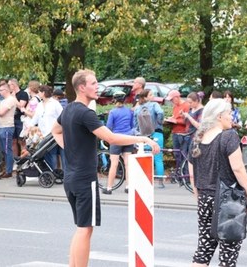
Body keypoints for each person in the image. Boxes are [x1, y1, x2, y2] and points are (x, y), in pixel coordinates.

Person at [51, 69, 159, 267]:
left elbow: (55, 130)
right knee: (86, 229)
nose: (97, 86)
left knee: (80, 228)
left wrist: (70, 146)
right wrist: (142, 138)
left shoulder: (68, 109)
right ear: (82, 87)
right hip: (85, 179)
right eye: (93, 83)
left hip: (71, 177)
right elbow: (110, 137)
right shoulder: (85, 113)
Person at [187, 98, 247, 267]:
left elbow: (193, 176)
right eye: (229, 113)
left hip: (204, 198)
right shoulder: (229, 137)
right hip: (227, 200)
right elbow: (238, 169)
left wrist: (199, 196)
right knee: (228, 252)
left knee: (204, 248)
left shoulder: (197, 139)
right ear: (219, 116)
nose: (232, 116)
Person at [103, 91, 134, 194]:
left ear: (114, 100)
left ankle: (109, 188)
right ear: (124, 100)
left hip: (116, 139)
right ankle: (128, 186)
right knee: (128, 164)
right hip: (128, 138)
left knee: (114, 164)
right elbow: (132, 125)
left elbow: (109, 127)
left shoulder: (112, 112)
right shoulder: (130, 111)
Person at [30, 85, 64, 170]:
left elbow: (62, 116)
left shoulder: (55, 103)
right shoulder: (40, 104)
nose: (38, 94)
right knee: (49, 153)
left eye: (39, 92)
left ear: (43, 93)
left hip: (55, 132)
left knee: (61, 153)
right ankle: (52, 172)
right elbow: (36, 117)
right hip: (45, 134)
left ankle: (64, 173)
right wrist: (30, 126)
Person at [134, 89, 165, 177]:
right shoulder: (155, 105)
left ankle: (146, 178)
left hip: (144, 135)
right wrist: (159, 122)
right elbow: (160, 112)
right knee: (158, 158)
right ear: (145, 97)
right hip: (157, 133)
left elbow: (135, 124)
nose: (153, 96)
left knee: (146, 157)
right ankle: (160, 180)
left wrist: (138, 132)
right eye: (151, 95)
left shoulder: (138, 108)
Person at [164, 89, 190, 176]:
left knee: (184, 154)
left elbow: (188, 120)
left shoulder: (186, 105)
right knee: (176, 154)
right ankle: (179, 173)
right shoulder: (175, 106)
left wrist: (176, 121)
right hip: (175, 133)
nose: (171, 101)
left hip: (183, 134)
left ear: (177, 97)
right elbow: (176, 117)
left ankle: (185, 174)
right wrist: (171, 119)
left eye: (172, 99)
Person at [0, 83, 18, 179]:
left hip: (7, 127)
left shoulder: (10, 100)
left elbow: (1, 113)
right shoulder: (4, 101)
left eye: (1, 90)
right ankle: (6, 169)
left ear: (6, 90)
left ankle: (9, 171)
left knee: (7, 149)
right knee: (4, 150)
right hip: (2, 126)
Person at [8, 78, 29, 157]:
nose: (9, 86)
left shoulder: (23, 94)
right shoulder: (10, 95)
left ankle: (24, 160)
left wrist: (14, 98)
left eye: (9, 85)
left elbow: (21, 107)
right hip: (11, 120)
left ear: (14, 85)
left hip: (20, 120)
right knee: (13, 141)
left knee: (21, 141)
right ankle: (15, 160)